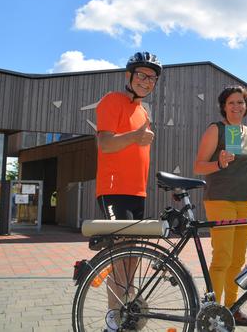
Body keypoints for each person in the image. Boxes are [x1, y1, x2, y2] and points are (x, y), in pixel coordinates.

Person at [95, 51, 162, 332]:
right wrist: (136, 136)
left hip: (137, 193)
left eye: (153, 78)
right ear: (129, 76)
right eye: (142, 75)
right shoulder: (113, 101)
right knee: (122, 257)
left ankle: (125, 314)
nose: (147, 81)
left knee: (132, 260)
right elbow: (106, 144)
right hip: (113, 190)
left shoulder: (143, 111)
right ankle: (115, 321)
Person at [194, 86, 247, 327]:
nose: (236, 106)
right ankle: (212, 311)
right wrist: (219, 164)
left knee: (237, 259)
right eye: (231, 102)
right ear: (224, 106)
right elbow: (199, 166)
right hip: (220, 199)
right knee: (222, 257)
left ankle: (233, 308)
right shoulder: (217, 129)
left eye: (241, 102)